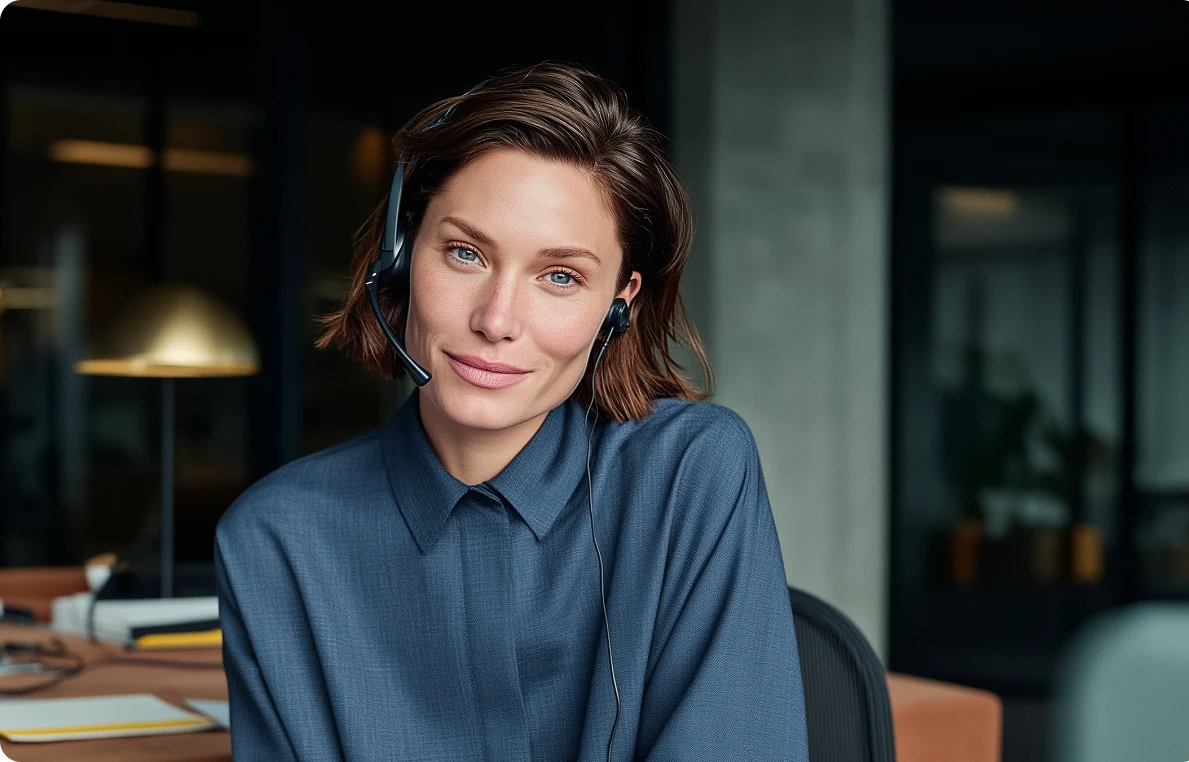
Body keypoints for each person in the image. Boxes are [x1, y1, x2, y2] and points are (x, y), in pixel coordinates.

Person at [214, 60, 809, 762]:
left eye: (560, 276)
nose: (497, 320)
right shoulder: (278, 539)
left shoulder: (688, 475)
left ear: (619, 303)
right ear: (399, 260)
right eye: (465, 253)